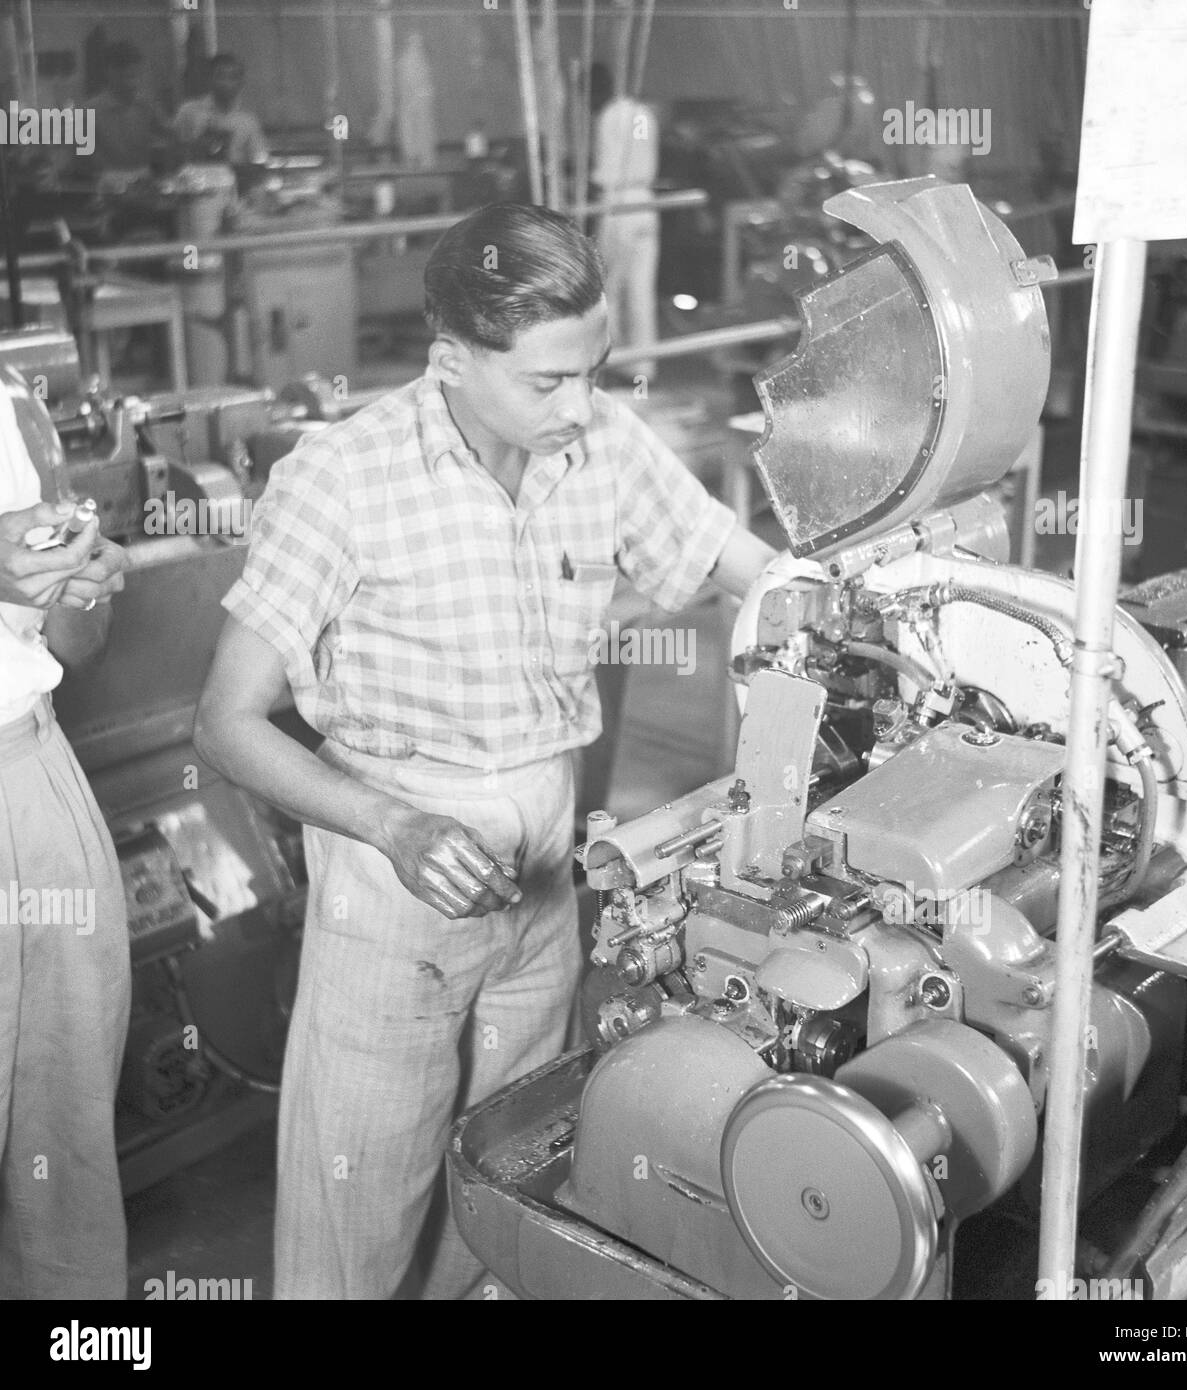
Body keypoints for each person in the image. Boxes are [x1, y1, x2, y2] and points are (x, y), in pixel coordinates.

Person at [194, 201, 774, 1300]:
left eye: (594, 370)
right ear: (450, 360)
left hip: (542, 865)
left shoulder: (595, 438)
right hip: (394, 870)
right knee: (355, 1203)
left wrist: (870, 605)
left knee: (504, 1176)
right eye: (547, 382)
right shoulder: (345, 477)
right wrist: (391, 822)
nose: (581, 404)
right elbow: (224, 722)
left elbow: (742, 564)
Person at [0, 386, 130, 1298]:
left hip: (26, 777)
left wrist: (84, 581)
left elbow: (75, 645)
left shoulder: (8, 406)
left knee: (65, 1145)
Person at [590, 63, 660, 381]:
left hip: (618, 203)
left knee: (612, 288)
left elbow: (607, 167)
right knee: (641, 289)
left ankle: (616, 360)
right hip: (645, 202)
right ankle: (644, 366)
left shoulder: (609, 117)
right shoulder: (645, 113)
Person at [88, 41, 170, 179]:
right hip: (107, 186)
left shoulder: (148, 105)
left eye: (137, 75)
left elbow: (169, 136)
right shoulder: (88, 111)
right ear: (110, 73)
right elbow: (81, 164)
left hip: (146, 182)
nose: (134, 83)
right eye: (128, 76)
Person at [173, 52, 269, 168]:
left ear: (241, 83)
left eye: (233, 77)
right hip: (196, 180)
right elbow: (174, 150)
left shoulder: (248, 121)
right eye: (220, 76)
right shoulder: (189, 111)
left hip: (236, 180)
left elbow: (259, 158)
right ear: (209, 78)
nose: (226, 83)